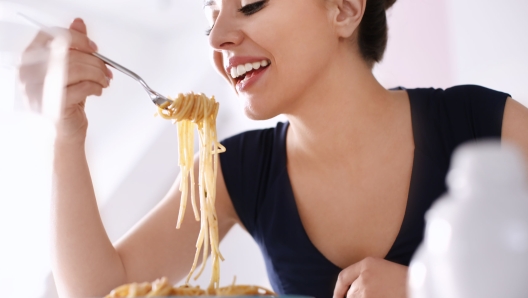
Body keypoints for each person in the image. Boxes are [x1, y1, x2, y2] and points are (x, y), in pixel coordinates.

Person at [19, 0, 528, 297]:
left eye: (252, 1)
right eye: (209, 16)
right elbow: (102, 292)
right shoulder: (233, 170)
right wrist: (65, 132)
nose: (217, 36)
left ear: (345, 9)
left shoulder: (486, 123)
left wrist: (428, 287)